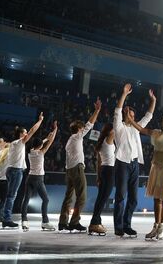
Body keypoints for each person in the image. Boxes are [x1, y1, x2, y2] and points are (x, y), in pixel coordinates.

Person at [130, 111, 163, 241]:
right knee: (156, 198)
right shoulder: (157, 133)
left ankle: (161, 227)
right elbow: (142, 130)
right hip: (155, 166)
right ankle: (155, 225)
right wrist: (130, 120)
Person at [113, 84, 155, 237]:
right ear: (125, 116)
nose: (130, 117)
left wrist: (153, 100)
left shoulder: (136, 127)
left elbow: (148, 116)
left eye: (132, 115)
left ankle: (127, 225)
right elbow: (117, 112)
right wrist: (124, 94)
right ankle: (118, 226)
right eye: (128, 115)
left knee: (134, 199)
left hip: (135, 164)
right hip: (122, 163)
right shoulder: (119, 127)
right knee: (120, 196)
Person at [59, 99, 102, 232]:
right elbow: (90, 124)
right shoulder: (77, 137)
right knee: (81, 197)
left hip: (69, 170)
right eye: (82, 128)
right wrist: (97, 110)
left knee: (68, 197)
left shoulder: (69, 141)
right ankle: (74, 222)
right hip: (77, 168)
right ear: (78, 129)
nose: (84, 129)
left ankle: (63, 222)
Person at [2, 113, 44, 229]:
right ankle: (6, 219)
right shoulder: (19, 142)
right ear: (21, 134)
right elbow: (32, 131)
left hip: (12, 170)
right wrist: (40, 121)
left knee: (10, 195)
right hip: (15, 171)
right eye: (24, 132)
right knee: (11, 195)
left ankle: (5, 217)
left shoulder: (14, 144)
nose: (26, 134)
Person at [20, 120, 58, 231]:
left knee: (26, 199)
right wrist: (55, 129)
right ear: (40, 145)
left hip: (30, 177)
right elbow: (51, 141)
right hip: (38, 179)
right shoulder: (41, 152)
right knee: (45, 199)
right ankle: (45, 222)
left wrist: (45, 138)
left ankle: (24, 221)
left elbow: (43, 142)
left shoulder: (30, 151)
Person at [88, 122, 115, 236]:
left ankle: (96, 221)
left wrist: (98, 176)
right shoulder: (109, 140)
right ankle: (94, 223)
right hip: (109, 170)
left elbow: (98, 163)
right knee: (103, 198)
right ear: (110, 132)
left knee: (101, 198)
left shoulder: (101, 142)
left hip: (104, 170)